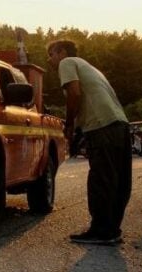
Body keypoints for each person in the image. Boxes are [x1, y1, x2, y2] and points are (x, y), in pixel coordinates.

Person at [47, 39, 131, 245]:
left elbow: (74, 93)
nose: (50, 60)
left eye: (51, 54)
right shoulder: (91, 68)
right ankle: (112, 229)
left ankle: (101, 231)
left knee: (100, 179)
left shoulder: (67, 63)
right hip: (120, 124)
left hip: (101, 127)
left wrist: (68, 125)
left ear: (62, 52)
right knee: (118, 180)